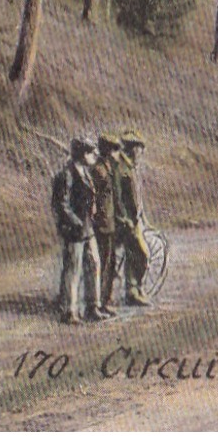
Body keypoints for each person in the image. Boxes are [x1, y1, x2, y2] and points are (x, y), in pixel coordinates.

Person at [50, 138, 104, 324]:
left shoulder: (86, 173)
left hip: (87, 228)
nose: (94, 155)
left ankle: (93, 307)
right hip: (74, 230)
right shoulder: (66, 175)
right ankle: (70, 312)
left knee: (94, 264)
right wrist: (76, 222)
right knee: (73, 270)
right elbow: (61, 205)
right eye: (91, 152)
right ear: (82, 154)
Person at [115, 130, 151, 306]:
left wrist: (141, 216)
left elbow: (136, 198)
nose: (140, 152)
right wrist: (126, 220)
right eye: (139, 148)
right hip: (125, 222)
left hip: (133, 220)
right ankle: (133, 290)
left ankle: (135, 289)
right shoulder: (121, 168)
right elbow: (118, 198)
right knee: (142, 254)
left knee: (135, 254)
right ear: (131, 148)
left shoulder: (130, 167)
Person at [90, 134, 121, 318]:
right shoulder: (99, 171)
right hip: (102, 223)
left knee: (110, 263)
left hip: (110, 222)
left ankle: (105, 301)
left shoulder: (108, 168)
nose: (118, 154)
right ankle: (99, 303)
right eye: (116, 149)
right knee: (102, 263)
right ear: (108, 151)